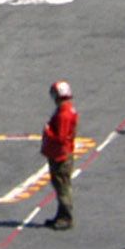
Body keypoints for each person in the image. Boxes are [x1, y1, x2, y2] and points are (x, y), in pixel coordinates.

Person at [43, 80, 79, 230]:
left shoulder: (63, 114)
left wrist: (48, 132)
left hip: (61, 155)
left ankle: (66, 217)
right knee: (60, 185)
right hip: (61, 153)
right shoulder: (68, 109)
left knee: (62, 186)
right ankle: (61, 214)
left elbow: (61, 137)